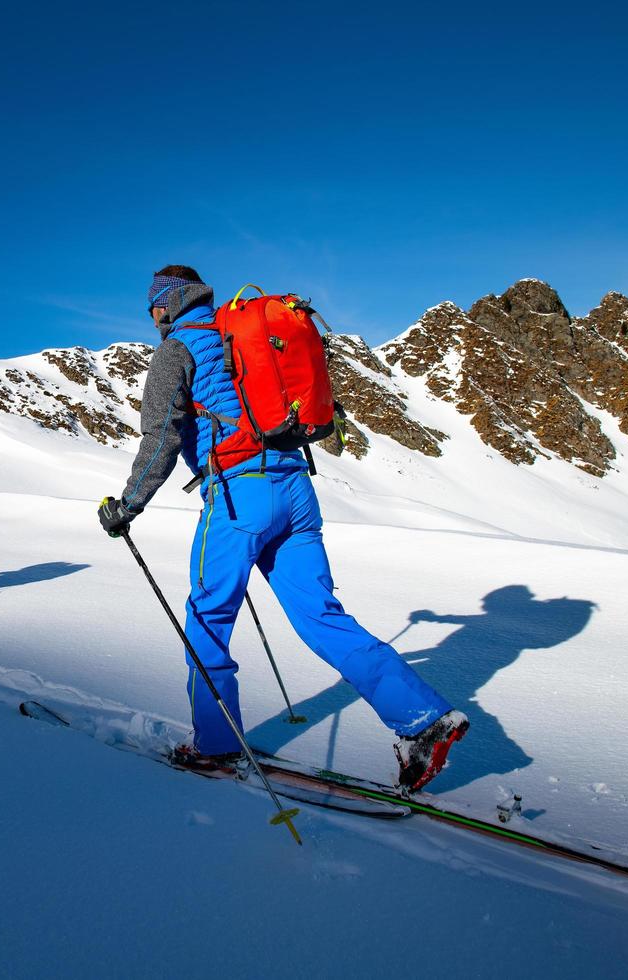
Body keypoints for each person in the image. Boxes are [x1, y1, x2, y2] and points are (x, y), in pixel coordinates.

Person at [98, 266, 468, 791]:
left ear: (165, 304)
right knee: (321, 614)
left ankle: (216, 744)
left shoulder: (176, 349)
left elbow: (160, 436)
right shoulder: (242, 335)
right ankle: (422, 720)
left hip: (237, 497)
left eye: (151, 307)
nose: (152, 316)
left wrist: (128, 505)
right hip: (296, 487)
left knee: (207, 617)